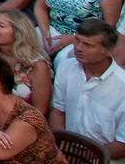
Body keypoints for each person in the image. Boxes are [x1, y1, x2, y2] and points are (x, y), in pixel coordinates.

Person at [50, 19, 125, 158]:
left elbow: (122, 144)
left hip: (106, 157)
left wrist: (83, 157)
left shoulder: (122, 86)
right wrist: (60, 147)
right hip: (65, 151)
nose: (78, 48)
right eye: (77, 40)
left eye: (88, 45)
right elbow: (58, 111)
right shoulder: (66, 67)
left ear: (108, 51)